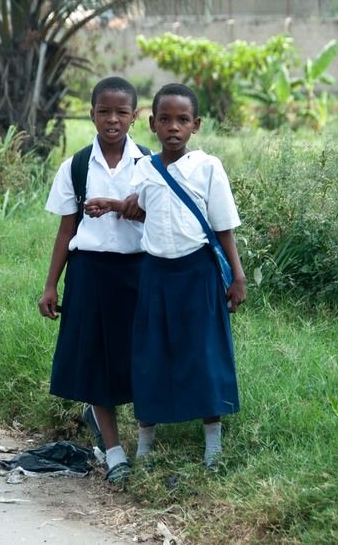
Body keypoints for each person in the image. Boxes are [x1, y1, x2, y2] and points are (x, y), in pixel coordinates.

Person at [85, 83, 246, 468]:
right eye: (166, 120)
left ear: (196, 125)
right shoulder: (145, 168)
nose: (174, 127)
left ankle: (213, 445)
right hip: (155, 275)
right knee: (150, 356)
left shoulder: (208, 167)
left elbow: (223, 228)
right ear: (153, 124)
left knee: (204, 354)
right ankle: (145, 443)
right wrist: (110, 205)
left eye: (183, 120)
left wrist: (236, 277)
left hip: (198, 273)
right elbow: (138, 208)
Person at [38, 76, 148, 483]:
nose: (113, 119)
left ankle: (145, 443)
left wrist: (128, 207)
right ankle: (115, 451)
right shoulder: (77, 165)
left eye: (122, 112)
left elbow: (163, 220)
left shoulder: (149, 165)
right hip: (89, 274)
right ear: (92, 114)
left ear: (135, 116)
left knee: (139, 356)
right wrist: (51, 284)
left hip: (137, 273)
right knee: (99, 361)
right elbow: (67, 230)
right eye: (104, 111)